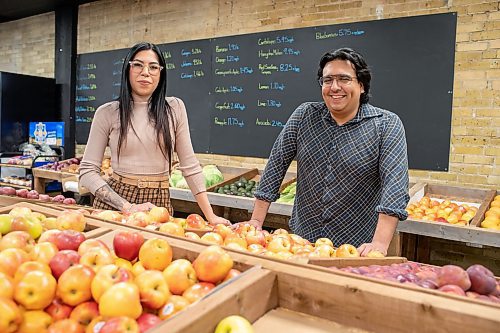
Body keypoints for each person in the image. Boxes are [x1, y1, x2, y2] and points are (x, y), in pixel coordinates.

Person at [240, 47, 409, 256]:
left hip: (357, 248)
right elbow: (276, 164)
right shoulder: (304, 116)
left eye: (344, 79)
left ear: (361, 85)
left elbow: (395, 186)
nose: (334, 87)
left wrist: (380, 244)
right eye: (327, 80)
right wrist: (256, 220)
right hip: (303, 242)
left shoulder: (386, 125)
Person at [79, 42, 229, 225]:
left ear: (161, 73)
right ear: (128, 68)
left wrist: (210, 216)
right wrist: (126, 207)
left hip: (158, 203)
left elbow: (190, 166)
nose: (145, 72)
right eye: (138, 65)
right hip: (115, 203)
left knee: (157, 253)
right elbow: (87, 171)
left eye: (153, 67)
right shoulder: (107, 112)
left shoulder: (174, 108)